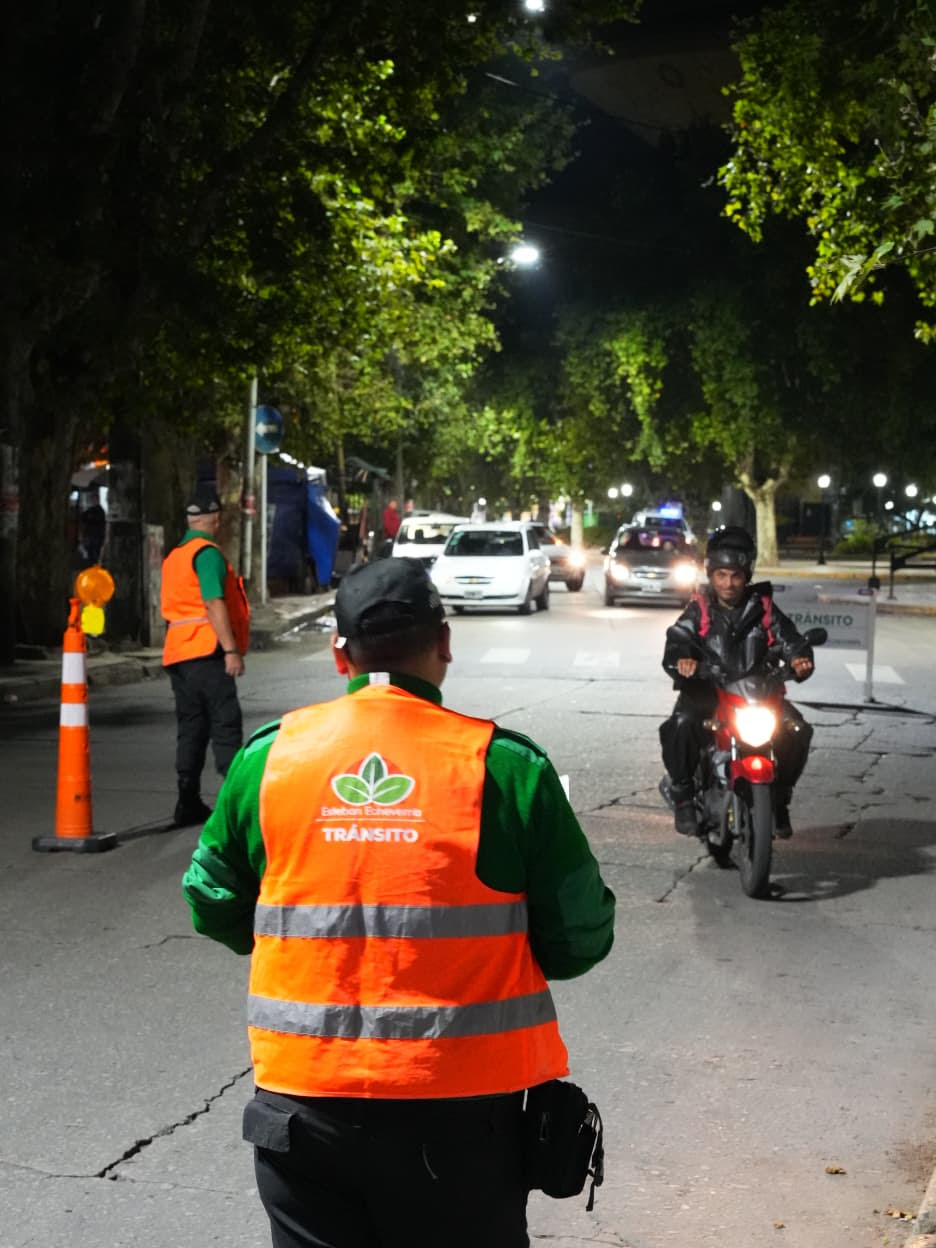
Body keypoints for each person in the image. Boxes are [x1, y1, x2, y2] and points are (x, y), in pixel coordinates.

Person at [181, 557, 615, 1248]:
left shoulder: (270, 758)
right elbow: (580, 938)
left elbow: (211, 902)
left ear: (337, 653)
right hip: (463, 1121)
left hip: (303, 1111)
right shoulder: (505, 769)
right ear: (443, 643)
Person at [659, 525, 814, 839]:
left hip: (758, 693)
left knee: (797, 729)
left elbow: (791, 640)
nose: (728, 583)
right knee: (682, 723)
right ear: (711, 575)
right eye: (721, 575)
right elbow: (677, 640)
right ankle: (684, 795)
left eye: (735, 576)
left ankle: (780, 797)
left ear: (747, 576)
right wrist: (683, 660)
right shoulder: (700, 609)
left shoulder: (765, 609)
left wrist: (800, 658)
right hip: (709, 691)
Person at [161, 490, 250, 827]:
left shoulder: (175, 556)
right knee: (225, 723)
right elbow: (214, 602)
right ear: (215, 519)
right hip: (207, 650)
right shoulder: (207, 553)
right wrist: (230, 650)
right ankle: (235, 805)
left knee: (191, 728)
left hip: (178, 654)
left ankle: (187, 801)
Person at [78, 488, 106, 566]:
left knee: (94, 556)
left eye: (94, 499)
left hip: (95, 537)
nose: (93, 501)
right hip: (92, 537)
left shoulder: (99, 511)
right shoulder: (93, 510)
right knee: (91, 555)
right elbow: (83, 517)